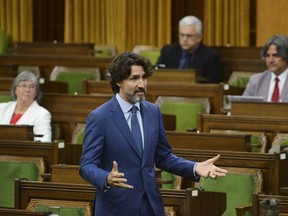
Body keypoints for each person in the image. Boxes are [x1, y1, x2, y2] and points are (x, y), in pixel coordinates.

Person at [79, 51, 227, 216]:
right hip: (116, 207)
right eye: (134, 78)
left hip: (150, 206)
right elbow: (86, 166)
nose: (141, 84)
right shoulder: (99, 117)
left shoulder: (153, 111)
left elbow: (164, 157)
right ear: (118, 81)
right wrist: (105, 178)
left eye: (144, 78)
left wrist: (194, 167)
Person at [156, 15, 221, 83]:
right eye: (182, 35)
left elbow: (212, 84)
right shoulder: (168, 51)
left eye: (189, 36)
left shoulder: (210, 56)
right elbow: (156, 75)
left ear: (199, 37)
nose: (184, 39)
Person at [0, 71, 52, 142]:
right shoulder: (2, 108)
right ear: (15, 90)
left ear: (36, 93)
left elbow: (45, 142)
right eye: (24, 85)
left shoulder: (42, 114)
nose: (27, 90)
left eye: (32, 87)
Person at [243, 34, 288, 102]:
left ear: (286, 57)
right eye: (267, 56)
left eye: (275, 55)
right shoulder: (255, 81)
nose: (270, 60)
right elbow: (242, 108)